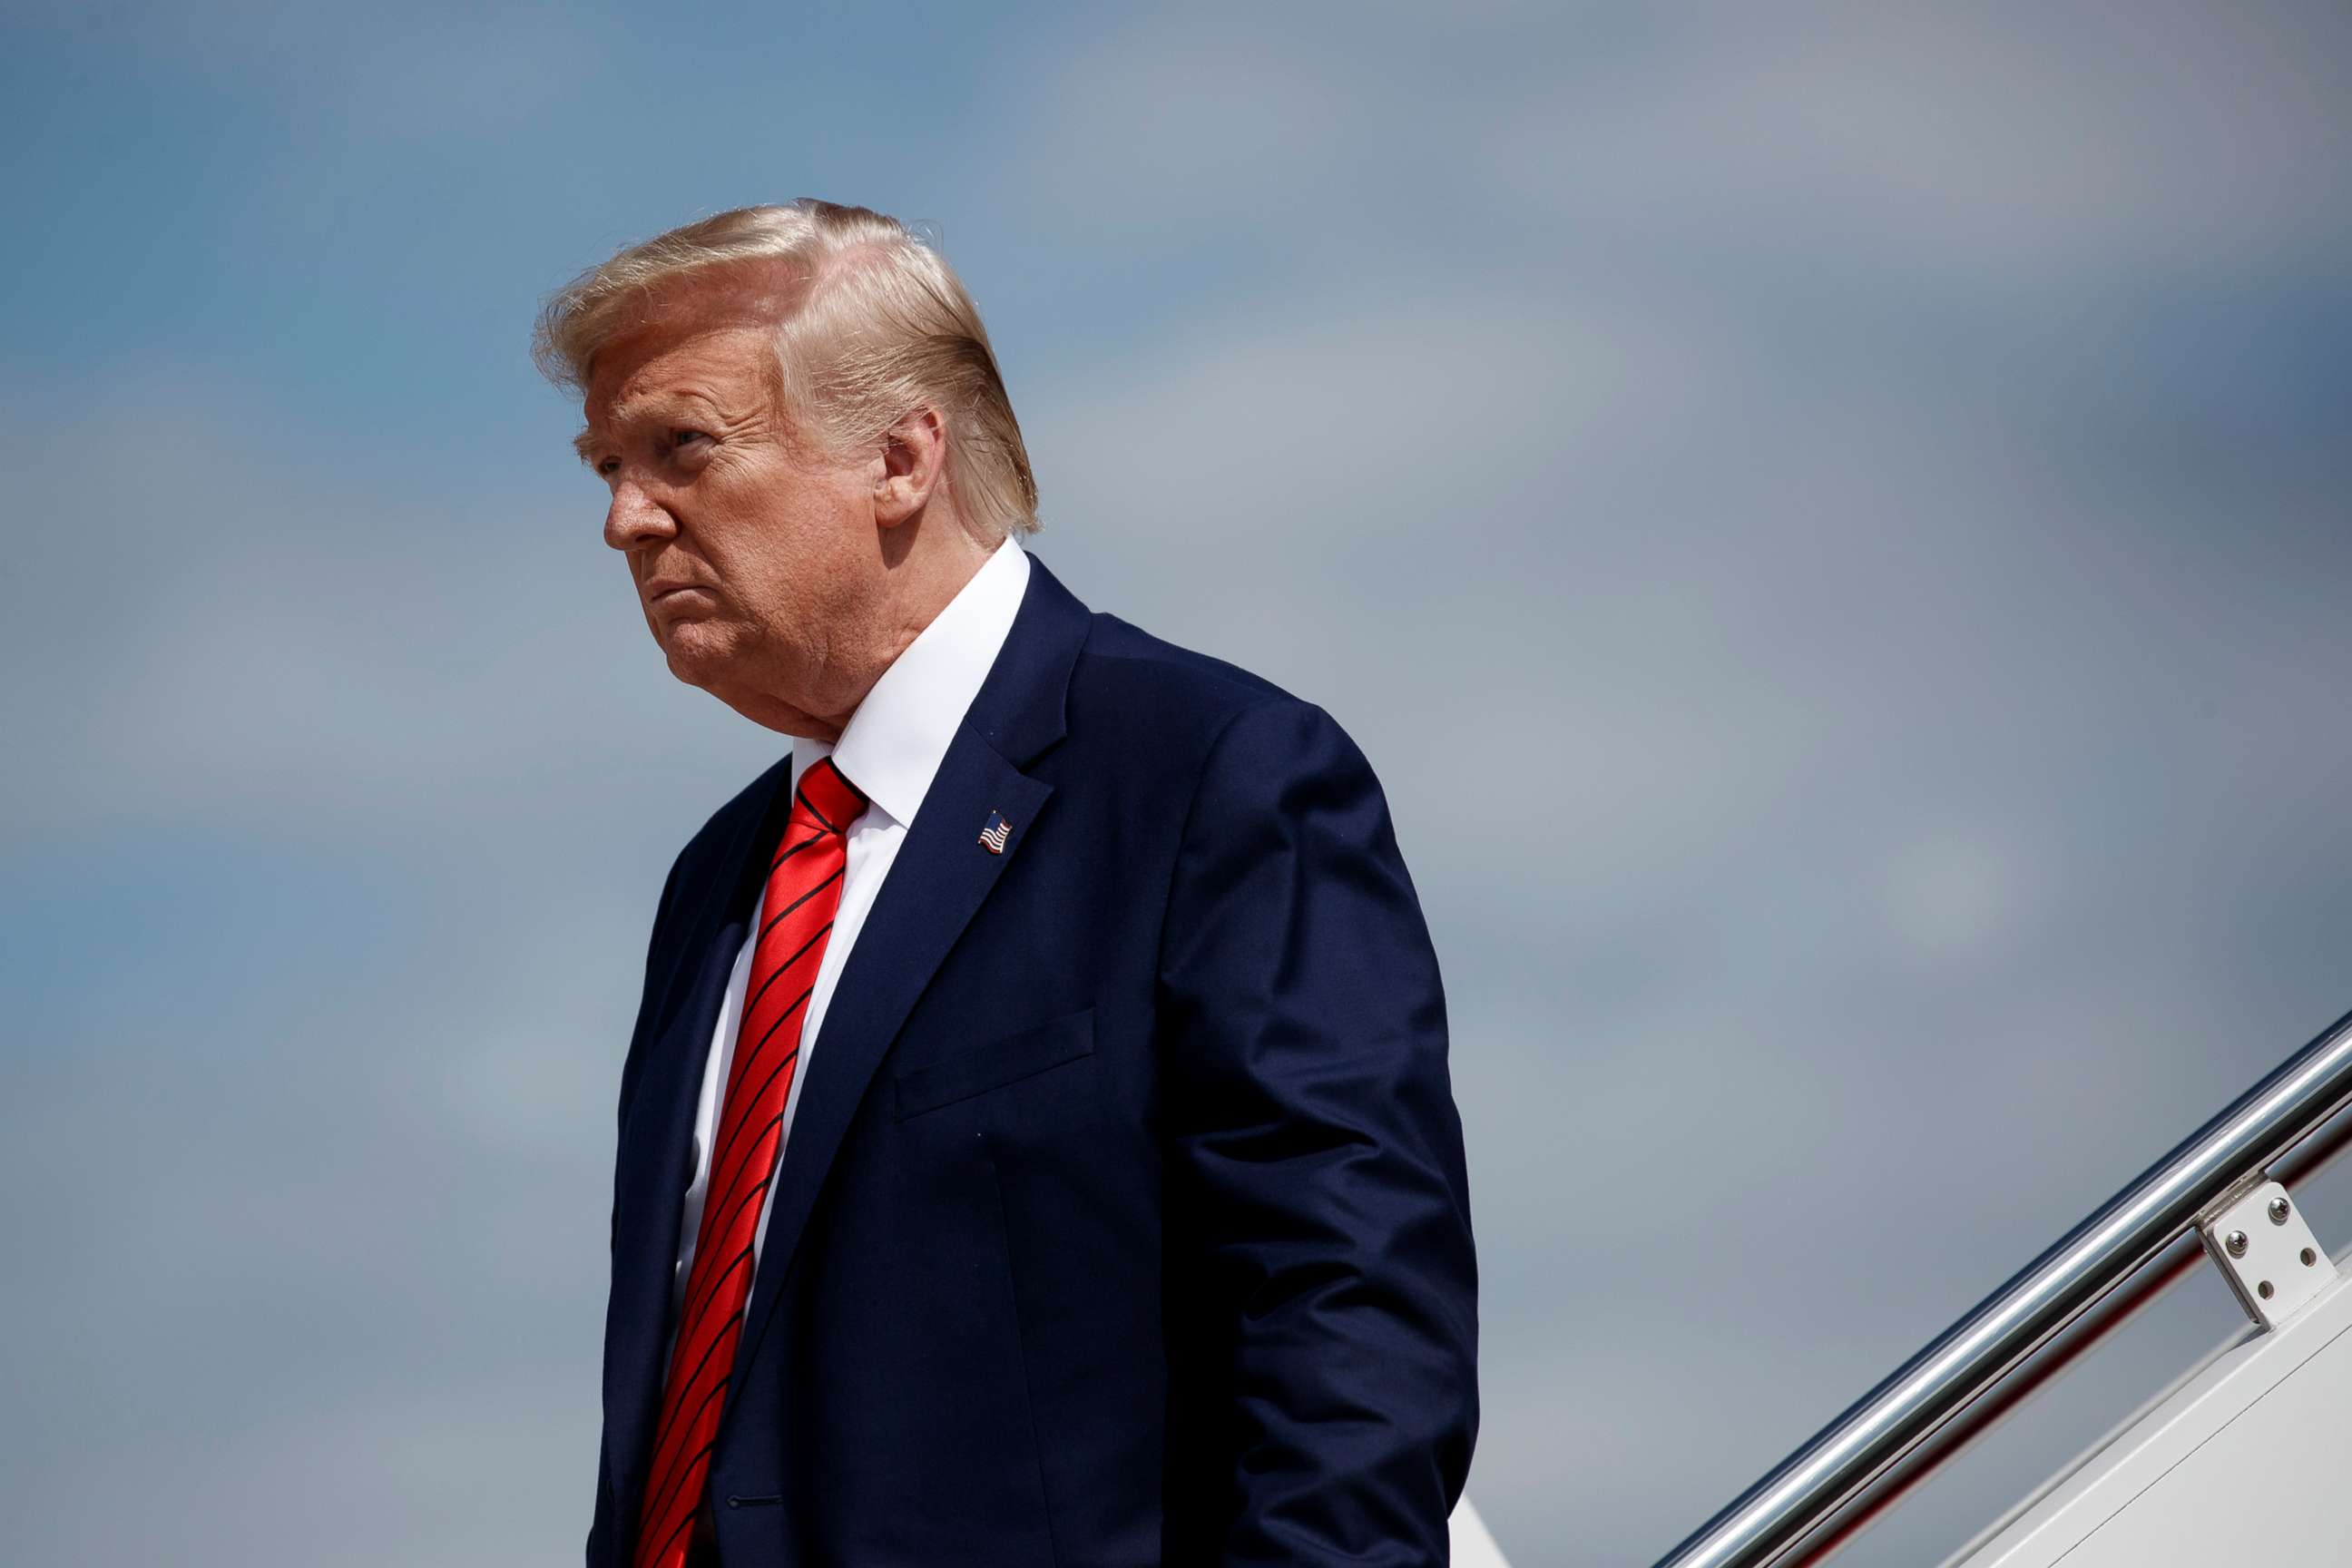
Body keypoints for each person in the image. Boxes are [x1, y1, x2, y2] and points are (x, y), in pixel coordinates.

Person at [534, 200, 1479, 1568]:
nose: (625, 519)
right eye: (607, 465)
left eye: (681, 446)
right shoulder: (717, 887)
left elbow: (1349, 1330)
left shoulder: (1211, 776)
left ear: (902, 457)